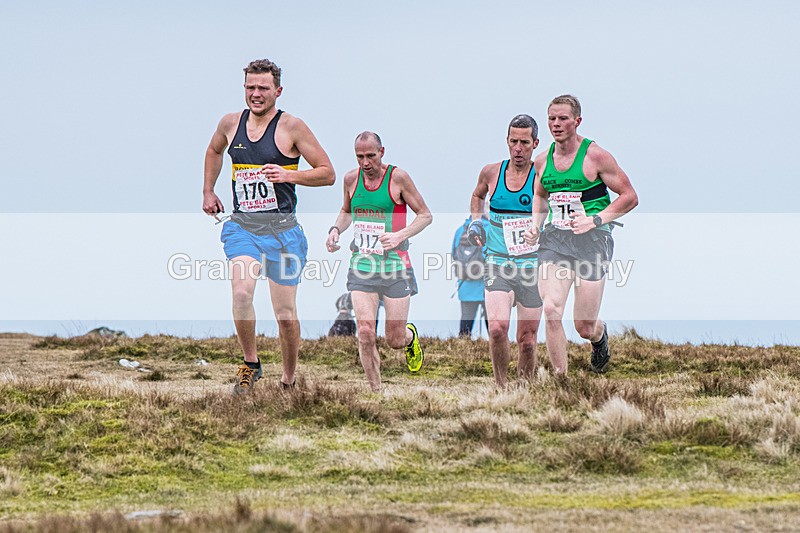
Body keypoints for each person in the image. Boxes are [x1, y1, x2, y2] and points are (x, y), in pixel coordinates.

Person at [202, 59, 335, 393]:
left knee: (286, 314)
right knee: (243, 292)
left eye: (263, 88)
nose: (256, 94)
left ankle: (288, 379)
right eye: (250, 87)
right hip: (243, 227)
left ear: (278, 90)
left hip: (284, 232)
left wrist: (288, 175)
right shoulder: (230, 123)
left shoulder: (292, 127)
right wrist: (208, 190)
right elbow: (214, 151)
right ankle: (251, 363)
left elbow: (327, 173)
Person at [524, 95, 638, 374]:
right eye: (552, 118)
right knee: (551, 308)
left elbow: (630, 197)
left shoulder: (595, 156)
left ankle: (599, 338)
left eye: (563, 118)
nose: (556, 124)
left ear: (577, 121)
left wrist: (595, 220)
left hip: (593, 240)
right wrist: (535, 226)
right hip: (556, 239)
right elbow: (540, 197)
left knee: (584, 326)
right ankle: (561, 380)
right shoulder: (542, 161)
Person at [326, 131, 432, 392]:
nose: (365, 163)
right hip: (362, 266)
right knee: (364, 332)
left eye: (370, 156)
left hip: (396, 267)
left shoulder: (398, 178)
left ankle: (409, 338)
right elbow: (346, 211)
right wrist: (335, 230)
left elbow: (425, 215)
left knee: (393, 339)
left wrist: (400, 235)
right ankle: (377, 391)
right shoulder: (351, 179)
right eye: (360, 157)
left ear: (382, 152)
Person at [468, 115, 543, 388]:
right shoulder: (491, 173)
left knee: (527, 341)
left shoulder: (541, 176)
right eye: (514, 141)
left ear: (535, 143)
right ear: (507, 141)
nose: (518, 148)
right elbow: (477, 196)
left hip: (533, 266)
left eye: (525, 142)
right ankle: (501, 388)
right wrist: (477, 222)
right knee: (498, 329)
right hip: (497, 261)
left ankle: (524, 390)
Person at [452, 216, 488, 336]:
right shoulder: (490, 229)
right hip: (488, 287)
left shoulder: (461, 231)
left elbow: (454, 254)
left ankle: (461, 349)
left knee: (465, 329)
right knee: (495, 330)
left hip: (465, 285)